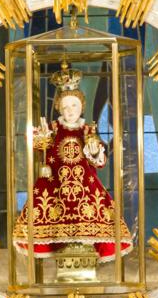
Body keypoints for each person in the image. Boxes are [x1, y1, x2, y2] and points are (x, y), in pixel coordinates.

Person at [12, 62, 133, 263]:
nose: (70, 111)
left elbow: (100, 161)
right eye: (65, 107)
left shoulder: (87, 130)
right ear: (59, 108)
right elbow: (37, 144)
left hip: (85, 186)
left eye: (74, 106)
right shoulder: (52, 129)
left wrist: (94, 151)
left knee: (94, 213)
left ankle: (84, 247)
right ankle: (62, 246)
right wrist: (39, 137)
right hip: (55, 186)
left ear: (81, 106)